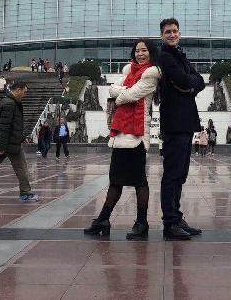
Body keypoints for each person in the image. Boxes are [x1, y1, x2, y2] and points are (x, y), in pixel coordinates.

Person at [84, 39, 161, 240]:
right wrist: (123, 93)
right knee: (115, 180)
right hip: (120, 134)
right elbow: (113, 90)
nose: (140, 54)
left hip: (136, 135)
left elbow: (131, 95)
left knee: (139, 181)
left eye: (144, 50)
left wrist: (121, 95)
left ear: (151, 52)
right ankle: (103, 219)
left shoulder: (151, 74)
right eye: (137, 50)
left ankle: (142, 223)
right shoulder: (129, 71)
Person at [158, 17, 205, 241]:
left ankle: (176, 217)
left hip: (185, 122)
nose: (172, 34)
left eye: (175, 31)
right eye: (168, 31)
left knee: (181, 174)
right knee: (172, 174)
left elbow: (199, 81)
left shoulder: (180, 55)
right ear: (162, 35)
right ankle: (170, 223)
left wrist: (189, 85)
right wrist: (189, 84)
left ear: (179, 33)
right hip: (174, 122)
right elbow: (185, 80)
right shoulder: (165, 57)